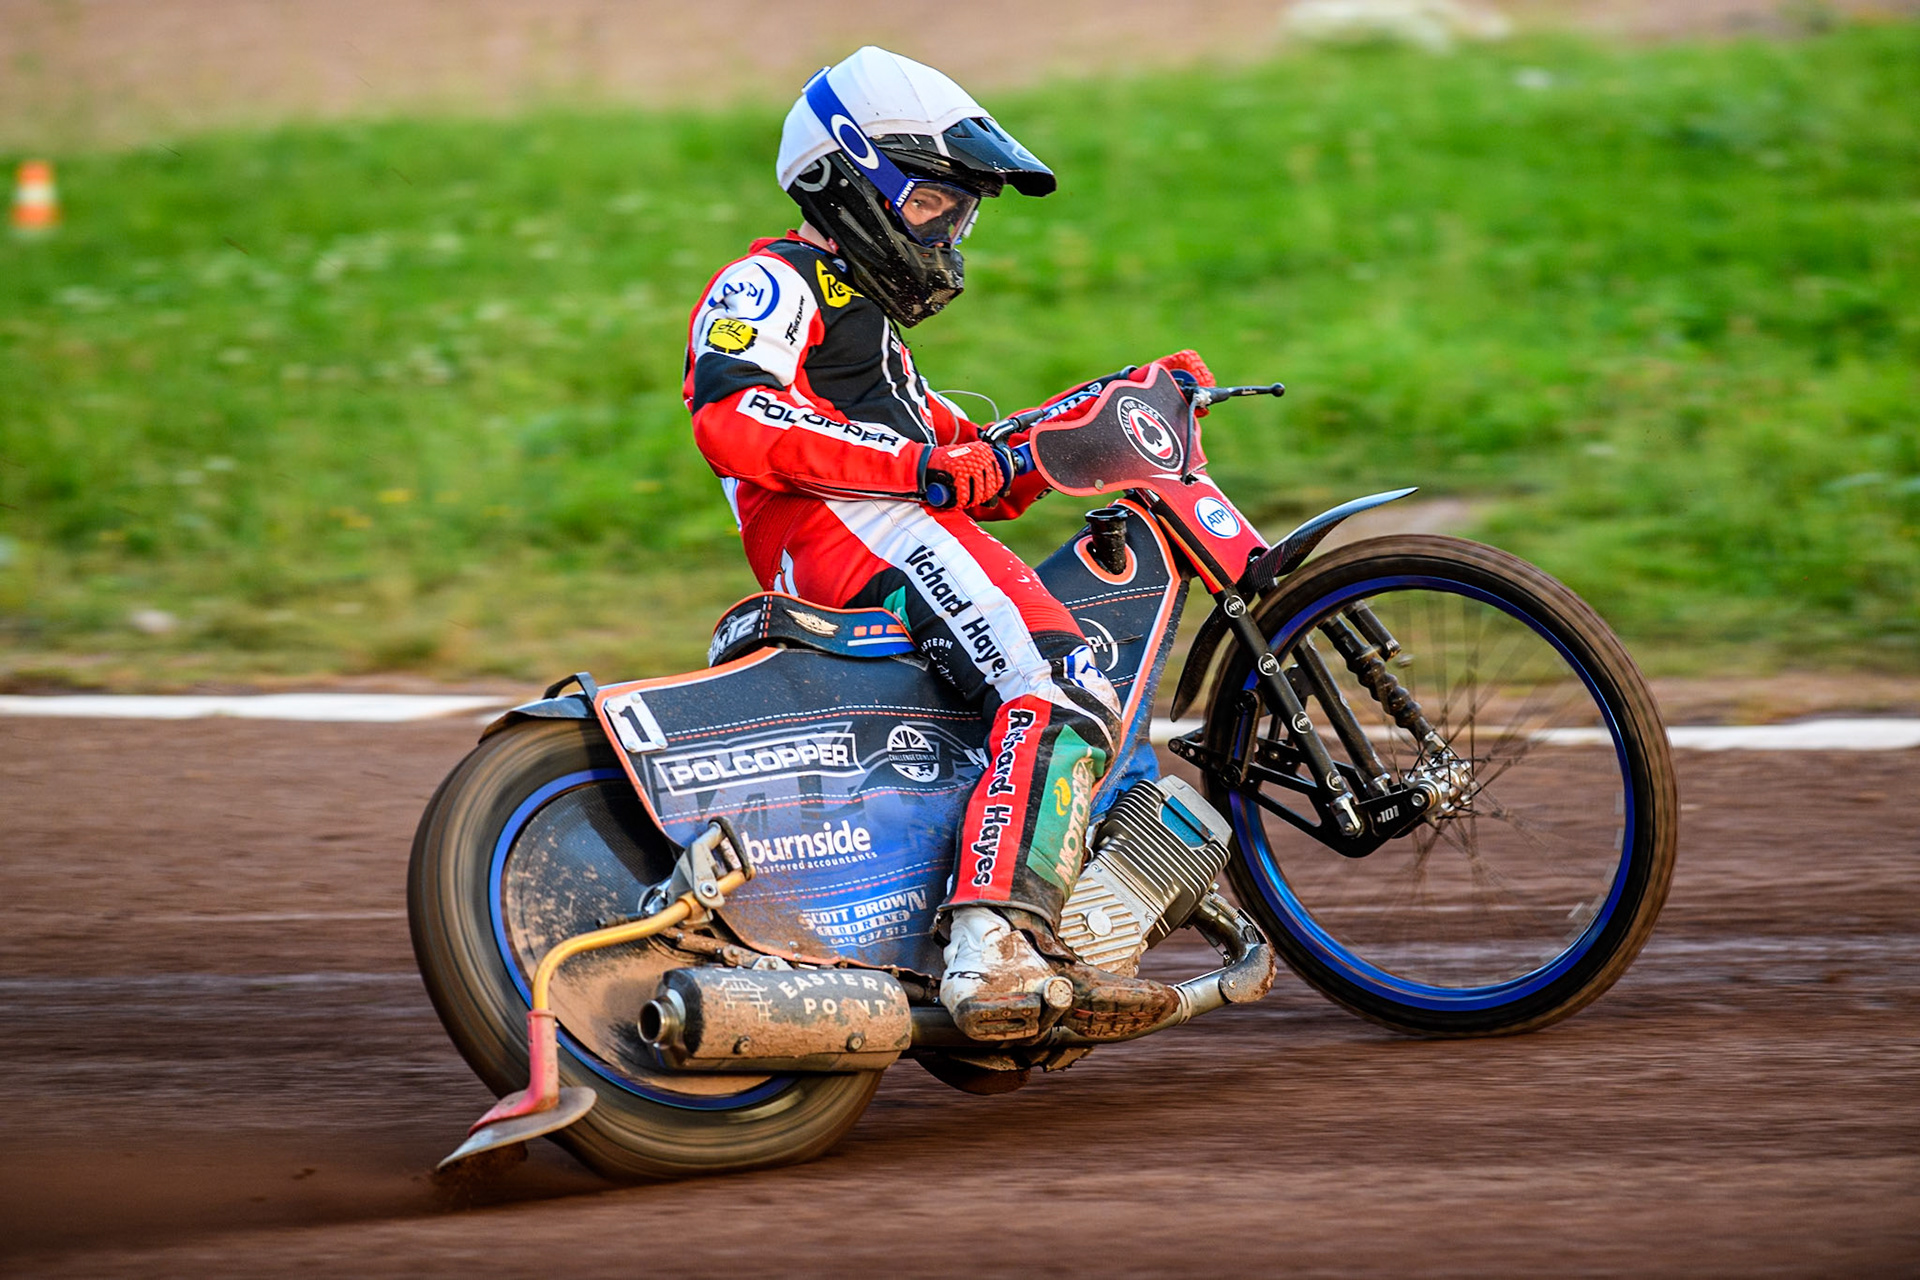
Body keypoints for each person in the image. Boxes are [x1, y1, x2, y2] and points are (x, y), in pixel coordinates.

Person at [682, 46, 1210, 1042]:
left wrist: (1106, 409)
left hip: (882, 523)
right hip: (853, 531)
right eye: (932, 204)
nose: (950, 231)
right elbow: (736, 415)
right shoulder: (771, 281)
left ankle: (1039, 916)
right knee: (1059, 683)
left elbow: (967, 457)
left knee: (1076, 718)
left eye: (960, 213)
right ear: (848, 180)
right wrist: (913, 467)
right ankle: (994, 942)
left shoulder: (872, 333)